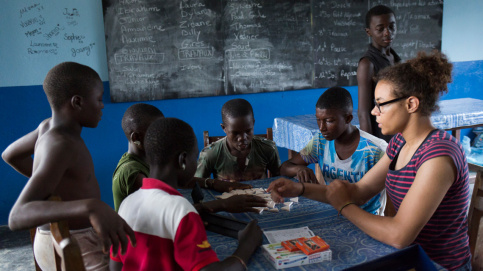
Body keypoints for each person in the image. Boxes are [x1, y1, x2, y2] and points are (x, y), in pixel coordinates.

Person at [269, 51, 471, 270]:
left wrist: (345, 206)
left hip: (435, 265)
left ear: (411, 104)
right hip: (405, 258)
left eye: (381, 104)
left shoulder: (438, 156)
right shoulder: (400, 143)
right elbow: (357, 191)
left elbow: (399, 235)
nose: (373, 111)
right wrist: (299, 188)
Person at [2, 62, 135, 270]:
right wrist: (91, 206)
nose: (102, 105)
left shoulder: (46, 127)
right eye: (99, 99)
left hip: (50, 240)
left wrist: (51, 187)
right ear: (77, 102)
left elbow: (10, 155)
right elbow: (17, 216)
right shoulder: (62, 144)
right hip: (77, 244)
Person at [110, 117, 262, 271]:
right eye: (194, 158)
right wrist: (247, 244)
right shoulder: (181, 210)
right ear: (182, 160)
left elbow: (114, 266)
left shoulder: (127, 204)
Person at [113, 103, 267, 214]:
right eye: (155, 131)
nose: (161, 134)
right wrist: (223, 204)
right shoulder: (131, 172)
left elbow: (175, 178)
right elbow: (165, 211)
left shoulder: (148, 160)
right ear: (136, 137)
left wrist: (213, 183)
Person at [278, 87, 387, 215]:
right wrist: (299, 169)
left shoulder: (375, 150)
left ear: (348, 118)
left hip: (368, 219)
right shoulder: (320, 141)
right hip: (332, 213)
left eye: (329, 121)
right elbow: (285, 167)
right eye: (318, 120)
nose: (322, 128)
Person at [195, 98, 281, 192]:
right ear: (224, 128)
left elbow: (280, 178)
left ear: (253, 123)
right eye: (235, 133)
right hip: (226, 203)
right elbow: (197, 183)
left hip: (262, 202)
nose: (242, 138)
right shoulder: (211, 154)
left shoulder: (267, 148)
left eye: (248, 131)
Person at [357, 5, 401, 142]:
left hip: (397, 131)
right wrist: (371, 146)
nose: (387, 33)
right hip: (381, 134)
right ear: (368, 32)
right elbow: (363, 112)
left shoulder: (396, 59)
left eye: (392, 27)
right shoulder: (367, 64)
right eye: (380, 29)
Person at [112, 103, 164, 212]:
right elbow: (159, 212)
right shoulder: (133, 173)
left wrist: (207, 182)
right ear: (136, 138)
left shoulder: (144, 160)